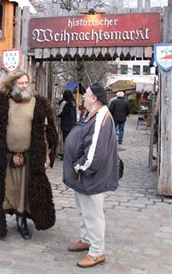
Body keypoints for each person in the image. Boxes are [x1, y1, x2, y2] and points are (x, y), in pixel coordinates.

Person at [0, 70, 58, 242]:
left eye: (26, 83)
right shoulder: (1, 101)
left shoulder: (37, 103)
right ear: (12, 84)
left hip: (29, 157)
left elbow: (45, 131)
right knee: (0, 191)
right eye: (21, 83)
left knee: (23, 191)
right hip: (3, 157)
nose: (24, 86)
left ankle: (22, 222)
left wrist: (47, 155)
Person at [63, 83, 119, 268]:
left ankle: (96, 252)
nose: (83, 97)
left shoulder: (101, 116)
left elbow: (95, 153)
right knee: (84, 211)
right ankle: (86, 240)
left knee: (93, 215)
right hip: (83, 177)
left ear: (94, 98)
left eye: (86, 94)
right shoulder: (91, 114)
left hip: (90, 176)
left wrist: (79, 167)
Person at [57, 89, 77, 159]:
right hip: (73, 124)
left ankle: (65, 155)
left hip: (66, 124)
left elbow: (59, 113)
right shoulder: (73, 102)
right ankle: (71, 154)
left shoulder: (64, 103)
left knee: (65, 140)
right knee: (71, 140)